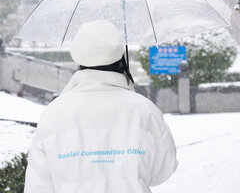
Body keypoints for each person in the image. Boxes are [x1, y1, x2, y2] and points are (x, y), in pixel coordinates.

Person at [24, 19, 178, 193]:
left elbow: (38, 185)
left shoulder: (54, 113)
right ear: (120, 56)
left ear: (79, 56)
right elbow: (163, 170)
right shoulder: (144, 110)